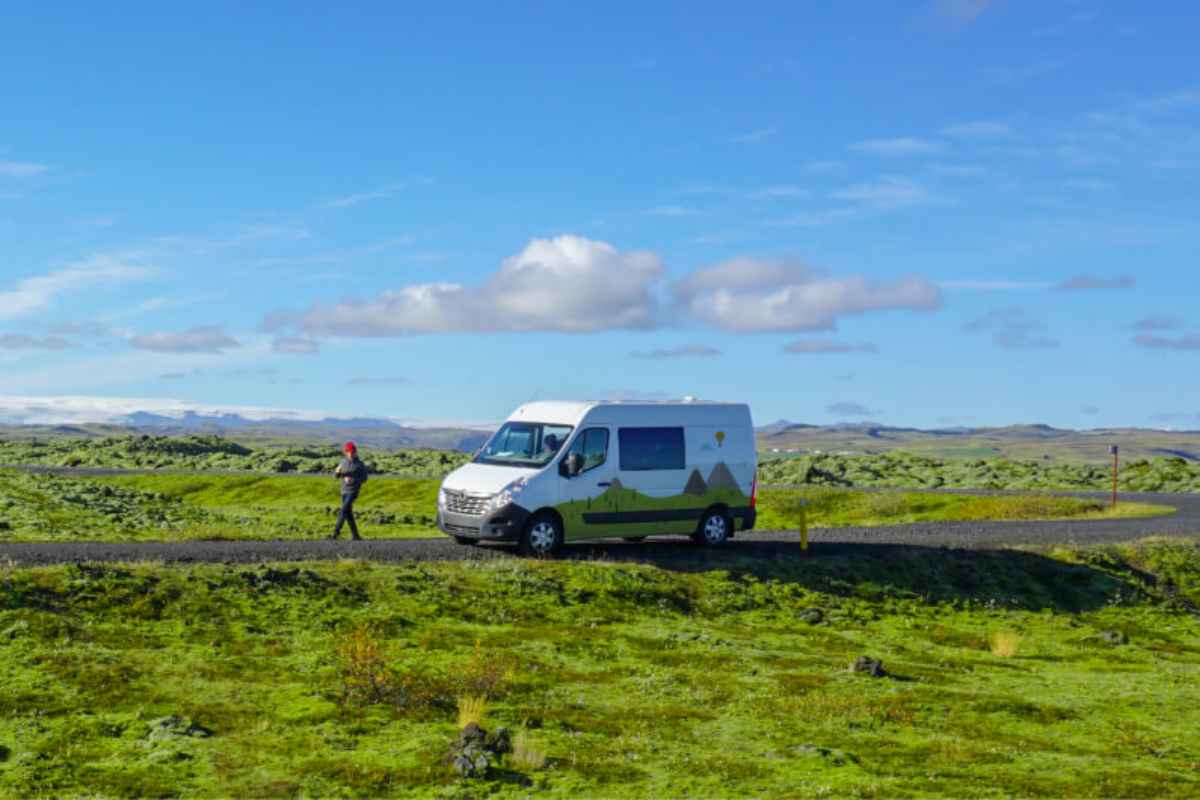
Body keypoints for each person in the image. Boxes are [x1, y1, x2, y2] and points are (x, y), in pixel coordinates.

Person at [330, 441, 368, 540]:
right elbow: (336, 476)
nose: (350, 454)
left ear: (355, 452)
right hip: (344, 491)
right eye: (349, 452)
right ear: (346, 452)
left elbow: (364, 478)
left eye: (352, 452)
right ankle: (356, 536)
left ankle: (335, 533)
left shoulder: (359, 464)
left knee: (343, 510)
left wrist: (353, 480)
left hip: (353, 491)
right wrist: (337, 472)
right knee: (348, 513)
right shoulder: (343, 462)